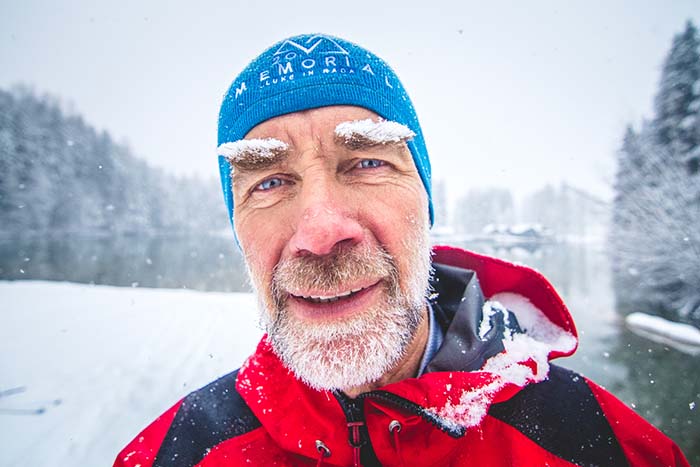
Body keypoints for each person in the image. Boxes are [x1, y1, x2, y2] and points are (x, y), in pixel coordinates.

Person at [114, 33, 689, 467]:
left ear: (425, 207)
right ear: (238, 227)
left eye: (366, 163)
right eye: (268, 182)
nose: (321, 232)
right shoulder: (176, 453)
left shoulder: (597, 445)